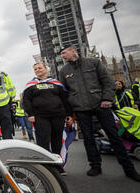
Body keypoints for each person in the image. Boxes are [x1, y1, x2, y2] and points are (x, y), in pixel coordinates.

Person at [59, 44, 140, 182]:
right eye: (61, 54)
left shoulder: (94, 63)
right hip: (81, 109)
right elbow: (64, 92)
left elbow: (108, 82)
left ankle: (129, 169)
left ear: (73, 51)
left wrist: (107, 99)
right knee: (88, 138)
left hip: (101, 105)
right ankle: (95, 165)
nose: (63, 56)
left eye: (64, 53)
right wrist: (70, 113)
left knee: (114, 136)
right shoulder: (64, 71)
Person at [24, 62, 72, 174]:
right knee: (43, 141)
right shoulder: (30, 85)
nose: (38, 70)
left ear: (46, 69)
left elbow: (65, 99)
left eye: (40, 68)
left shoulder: (56, 83)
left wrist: (69, 114)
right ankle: (46, 167)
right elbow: (26, 100)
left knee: (57, 141)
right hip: (40, 117)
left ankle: (56, 165)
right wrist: (30, 114)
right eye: (35, 69)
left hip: (58, 115)